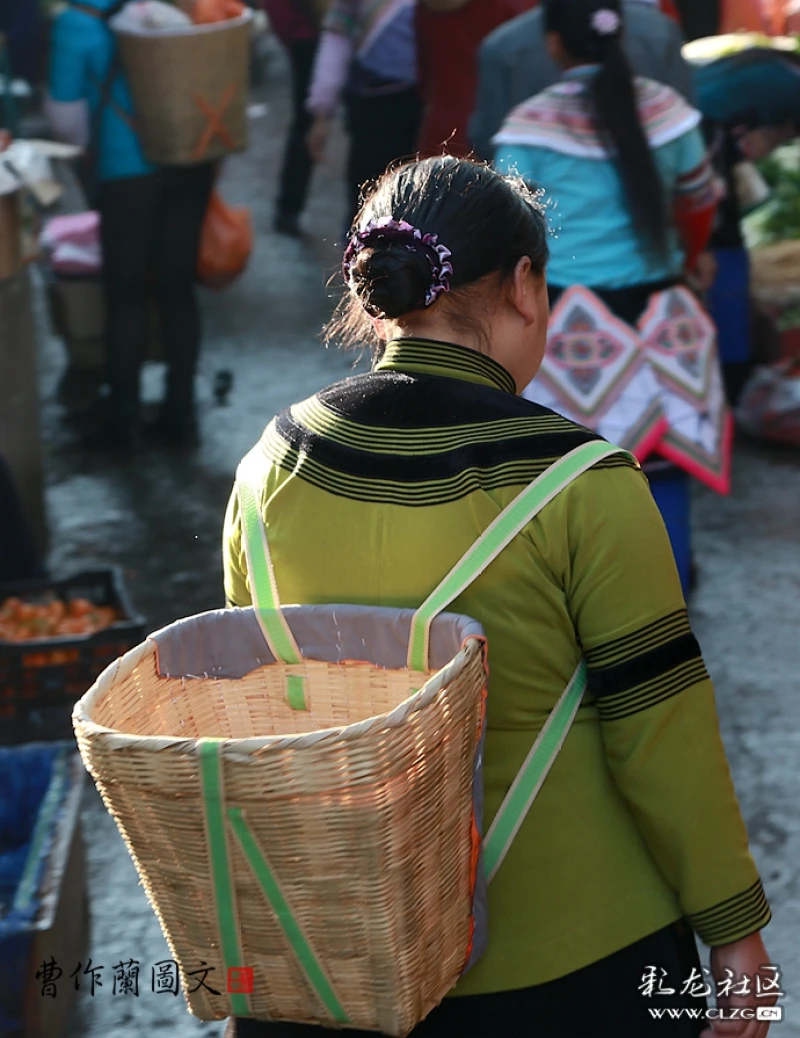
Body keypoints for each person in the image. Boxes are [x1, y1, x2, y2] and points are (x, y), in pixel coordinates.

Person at [222, 155, 774, 1038]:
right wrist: (735, 926)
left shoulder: (269, 467)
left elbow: (256, 707)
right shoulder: (583, 482)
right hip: (574, 958)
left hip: (335, 950)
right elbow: (658, 727)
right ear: (524, 285)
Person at [47, 0, 215, 450]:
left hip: (126, 174)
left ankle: (124, 420)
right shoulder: (176, 4)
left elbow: (66, 120)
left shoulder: (76, 22)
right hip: (190, 163)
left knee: (126, 294)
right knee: (177, 289)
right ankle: (181, 416)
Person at [470, 0, 695, 160]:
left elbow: (489, 144)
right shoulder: (661, 32)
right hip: (658, 214)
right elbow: (690, 132)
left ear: (554, 45)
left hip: (546, 220)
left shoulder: (504, 47)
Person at [305, 0, 421, 228]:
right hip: (371, 109)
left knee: (419, 200)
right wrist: (322, 112)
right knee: (369, 199)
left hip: (424, 106)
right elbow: (336, 39)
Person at [414, 0, 535, 157]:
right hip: (497, 131)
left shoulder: (425, 7)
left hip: (440, 132)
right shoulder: (514, 7)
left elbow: (423, 72)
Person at [263, 0, 327, 236]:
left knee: (305, 123)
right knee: (306, 123)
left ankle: (288, 208)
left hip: (304, 33)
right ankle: (288, 209)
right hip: (308, 33)